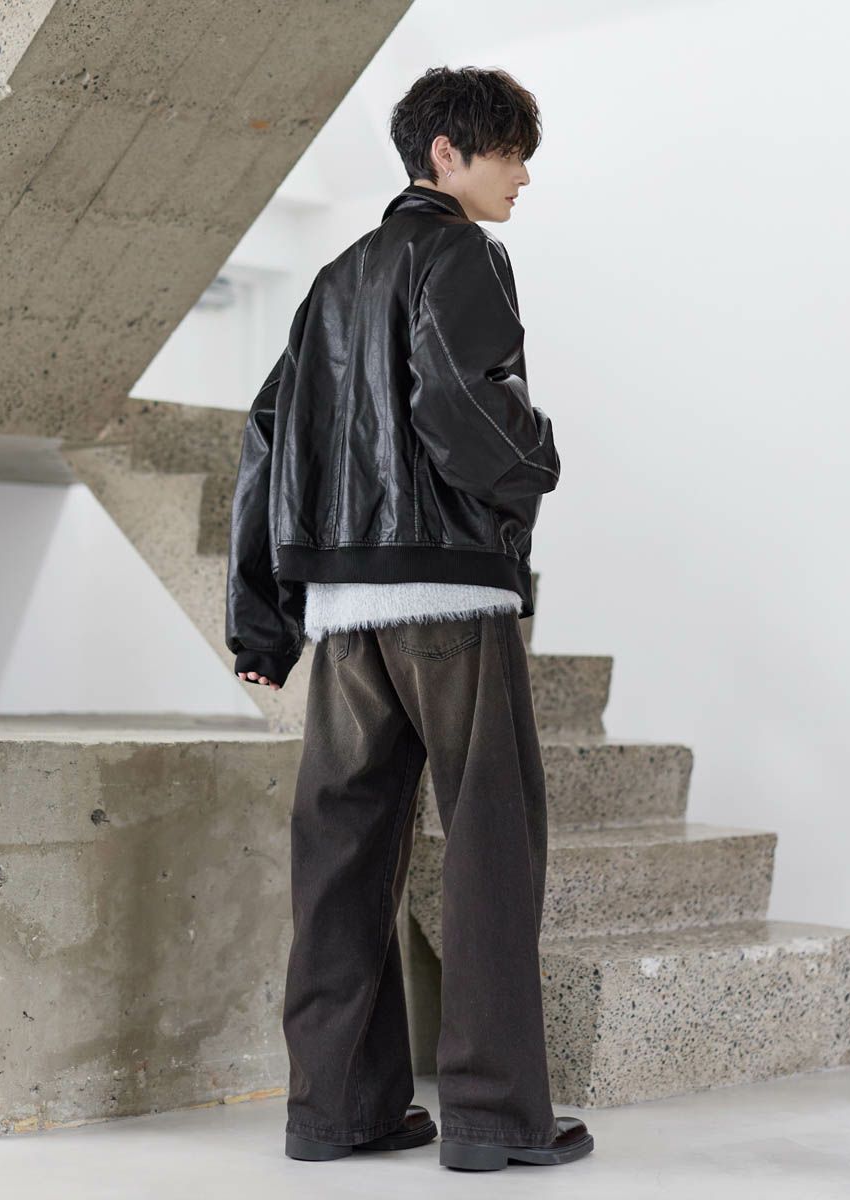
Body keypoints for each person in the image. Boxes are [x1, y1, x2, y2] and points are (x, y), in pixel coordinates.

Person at [225, 64, 594, 1172]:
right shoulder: (461, 253)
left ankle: (335, 1111)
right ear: (446, 153)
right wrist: (537, 465)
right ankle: (491, 1118)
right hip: (448, 598)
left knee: (341, 856)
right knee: (488, 845)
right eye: (509, 153)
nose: (522, 177)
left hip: (346, 615)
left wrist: (263, 624)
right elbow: (463, 402)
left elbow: (266, 438)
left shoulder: (336, 277)